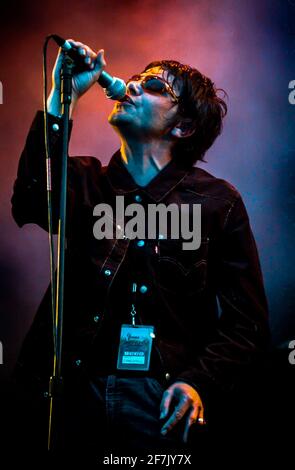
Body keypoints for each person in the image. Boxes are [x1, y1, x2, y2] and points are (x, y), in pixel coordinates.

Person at [11, 40, 269, 463]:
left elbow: (248, 325)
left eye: (152, 86)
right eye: (133, 80)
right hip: (75, 392)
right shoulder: (85, 180)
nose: (130, 87)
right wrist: (63, 97)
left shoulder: (216, 202)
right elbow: (30, 201)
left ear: (183, 126)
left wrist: (199, 382)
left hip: (161, 400)